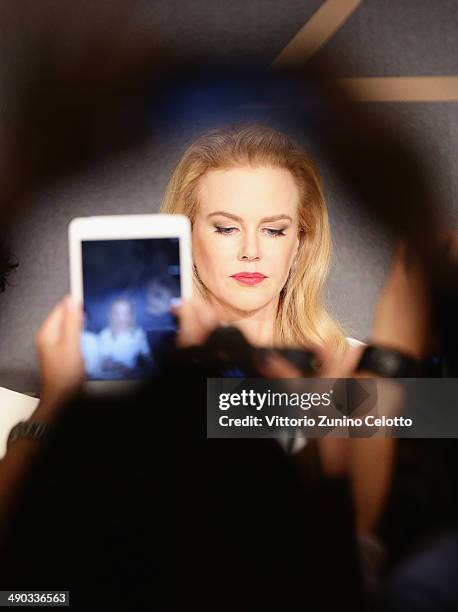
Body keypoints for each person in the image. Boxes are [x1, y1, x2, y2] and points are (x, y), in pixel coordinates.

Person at [99, 297, 151, 375]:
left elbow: (147, 356)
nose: (121, 318)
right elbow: (104, 363)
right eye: (116, 313)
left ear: (132, 316)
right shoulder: (105, 335)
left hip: (133, 376)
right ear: (110, 315)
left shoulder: (139, 333)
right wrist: (120, 366)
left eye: (126, 313)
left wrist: (153, 368)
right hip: (111, 376)